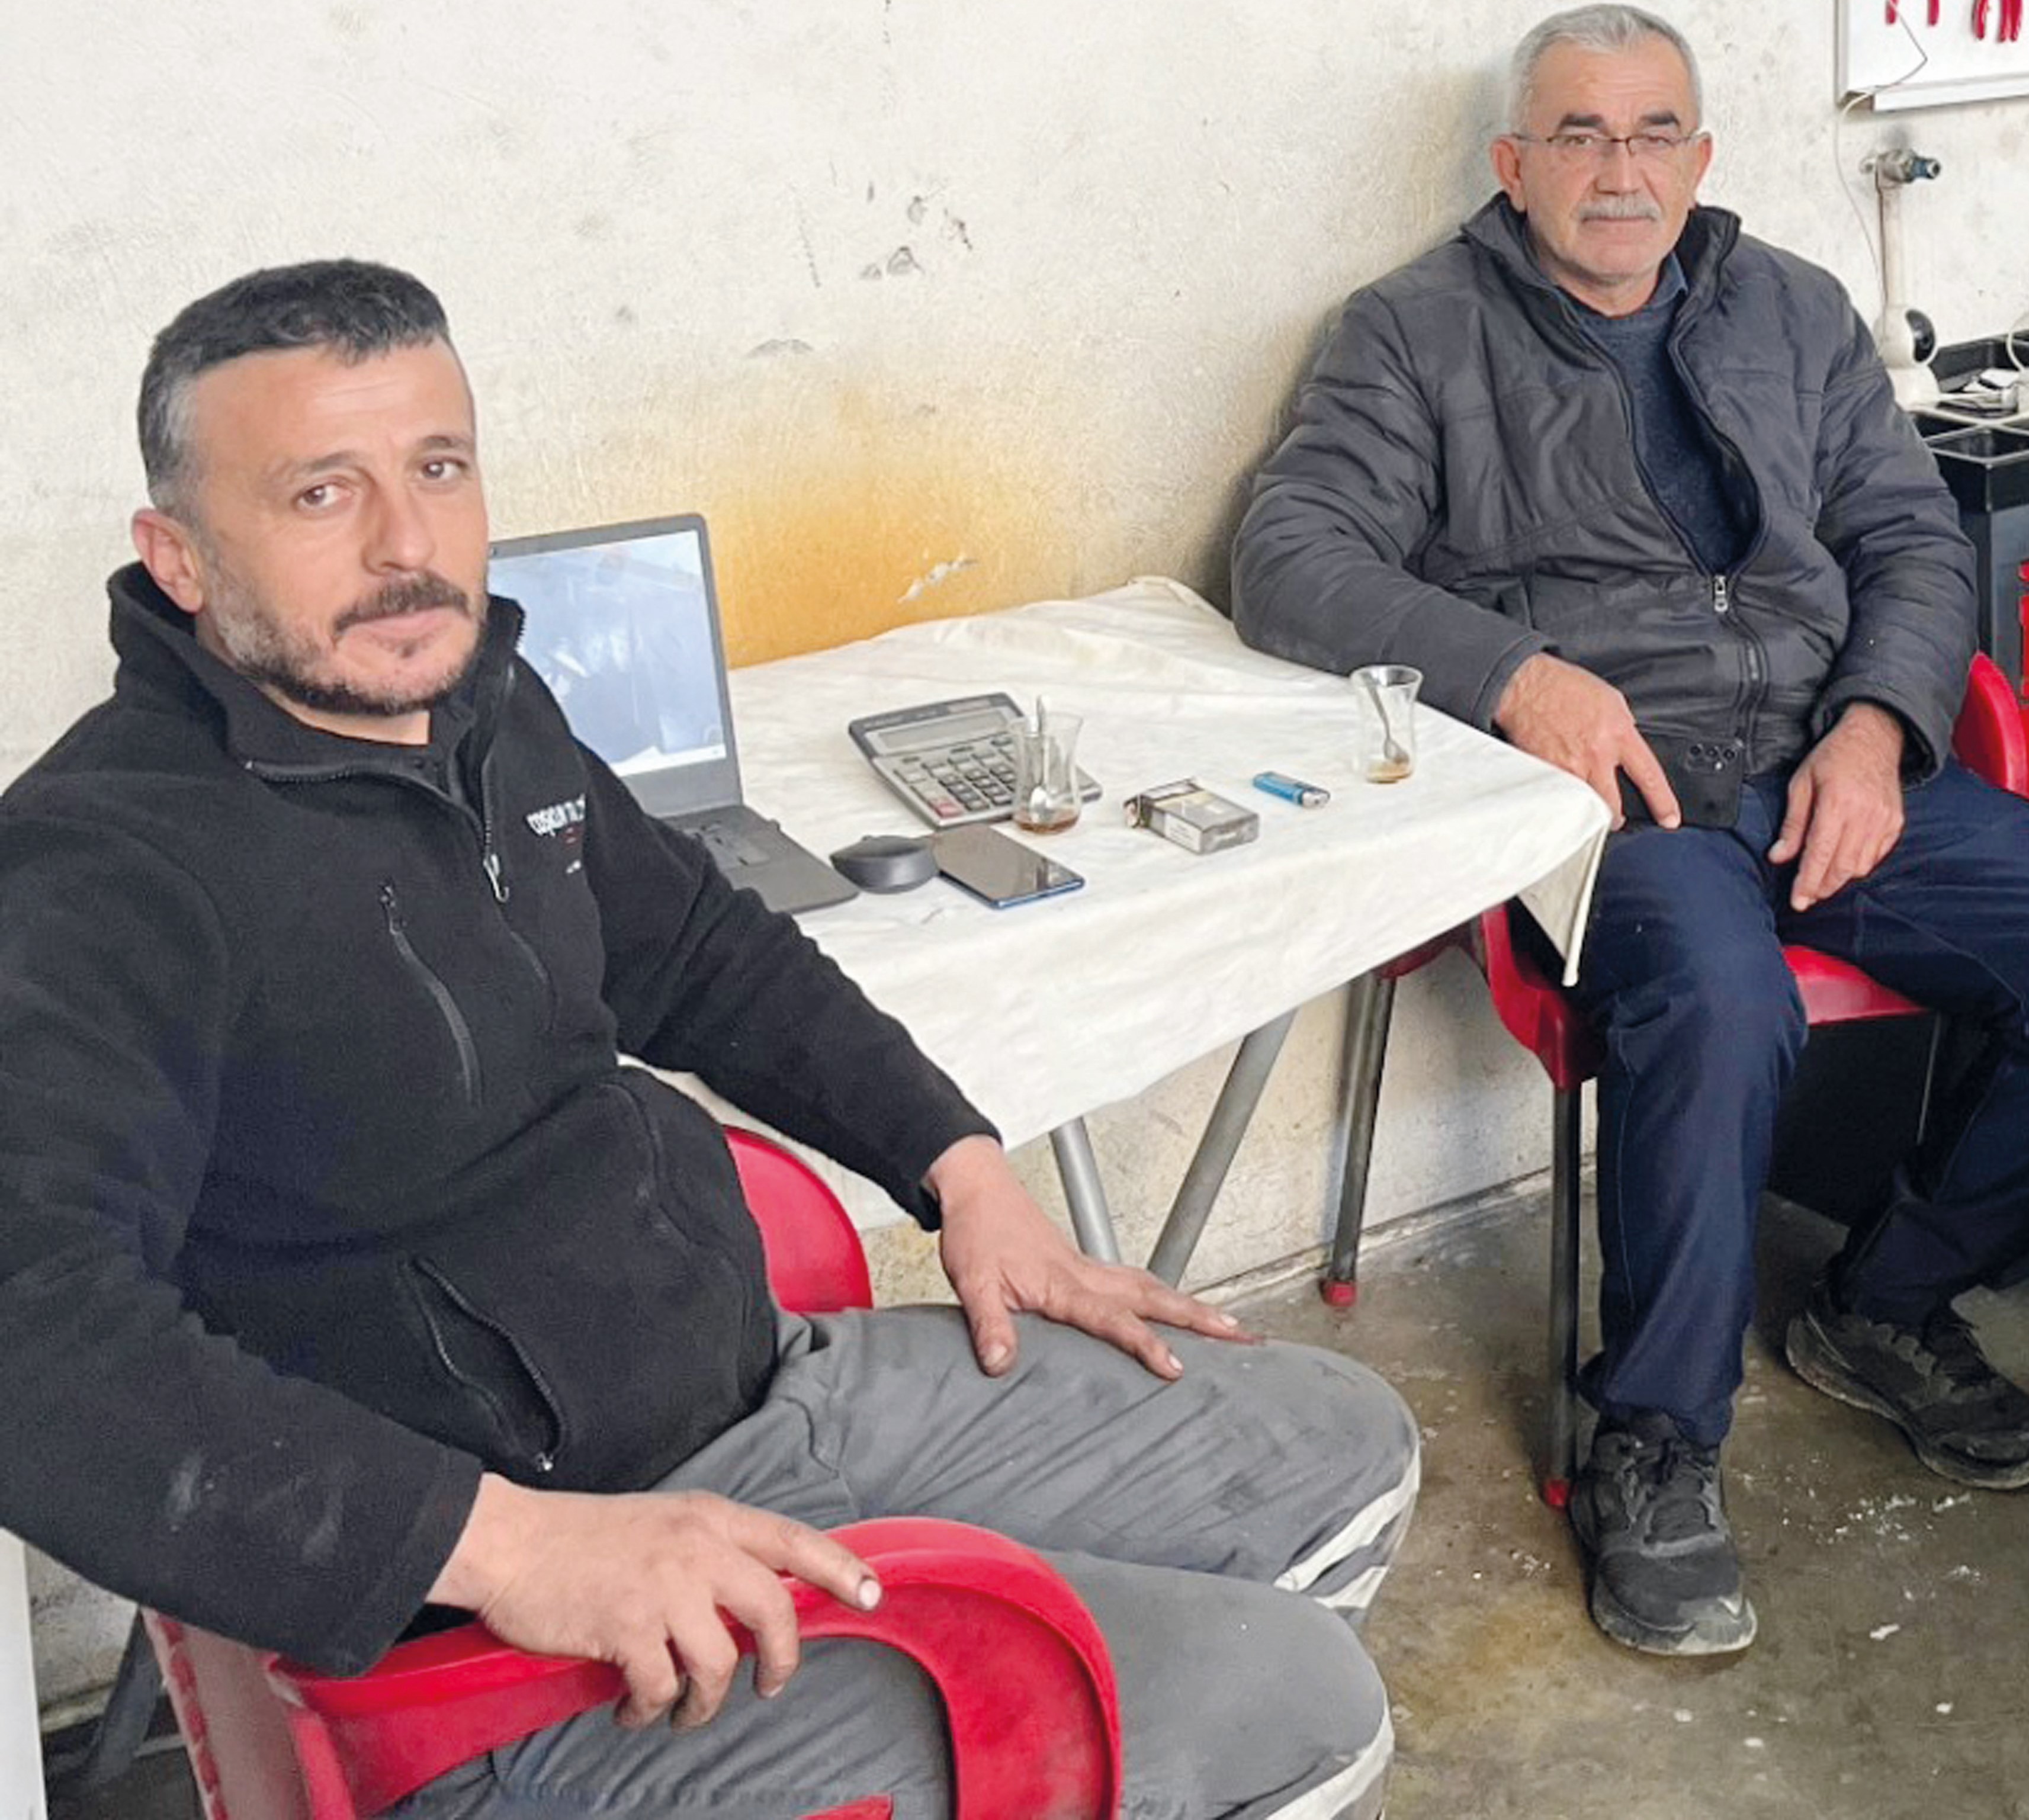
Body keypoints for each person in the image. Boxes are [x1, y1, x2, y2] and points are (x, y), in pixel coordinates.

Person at [0, 261, 1418, 1820]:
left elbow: (703, 952)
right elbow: (33, 1336)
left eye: (439, 469)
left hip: (760, 1392)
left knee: (1337, 1446)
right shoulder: (101, 870)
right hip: (515, 1625)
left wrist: (963, 1172)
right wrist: (511, 1548)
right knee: (1297, 1704)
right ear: (179, 557)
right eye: (322, 493)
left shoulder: (481, 708)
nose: (408, 547)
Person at [1235, 4, 2029, 1657]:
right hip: (1622, 795)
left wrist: (1880, 729)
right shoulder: (1412, 334)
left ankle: (1886, 1301)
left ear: (1701, 157)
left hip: (1831, 754)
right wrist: (1517, 677)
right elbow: (1289, 560)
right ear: (1513, 164)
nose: (1620, 173)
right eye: (1581, 136)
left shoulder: (1792, 308)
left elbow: (1910, 539)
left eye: (1653, 134)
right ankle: (1657, 1437)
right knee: (1724, 1007)